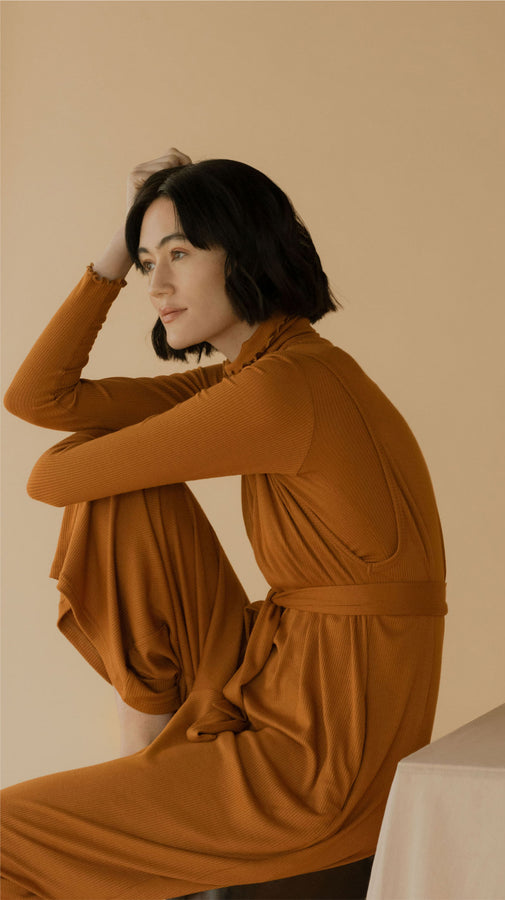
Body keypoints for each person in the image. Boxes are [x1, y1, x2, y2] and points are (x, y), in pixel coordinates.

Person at [0, 149, 447, 899]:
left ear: (247, 253)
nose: (158, 286)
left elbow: (50, 475)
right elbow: (38, 398)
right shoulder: (272, 371)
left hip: (315, 762)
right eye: (145, 263)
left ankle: (151, 729)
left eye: (180, 254)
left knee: (8, 837)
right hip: (283, 685)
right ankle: (154, 731)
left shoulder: (278, 392)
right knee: (126, 485)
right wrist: (119, 239)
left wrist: (109, 448)